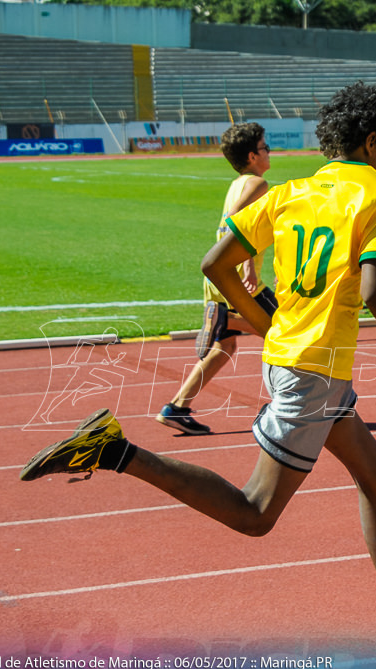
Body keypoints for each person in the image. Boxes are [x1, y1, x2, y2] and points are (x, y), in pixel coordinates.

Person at [20, 82, 376, 668]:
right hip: (314, 370)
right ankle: (114, 452)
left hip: (298, 360)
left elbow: (215, 264)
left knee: (375, 472)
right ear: (370, 141)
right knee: (255, 514)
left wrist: (265, 321)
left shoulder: (289, 193)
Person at [156, 122, 278, 435]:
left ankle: (177, 407)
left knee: (224, 349)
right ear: (252, 155)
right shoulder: (257, 185)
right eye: (265, 147)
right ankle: (295, 408)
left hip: (220, 278)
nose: (270, 152)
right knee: (286, 332)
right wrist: (248, 264)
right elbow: (235, 222)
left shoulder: (238, 182)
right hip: (237, 278)